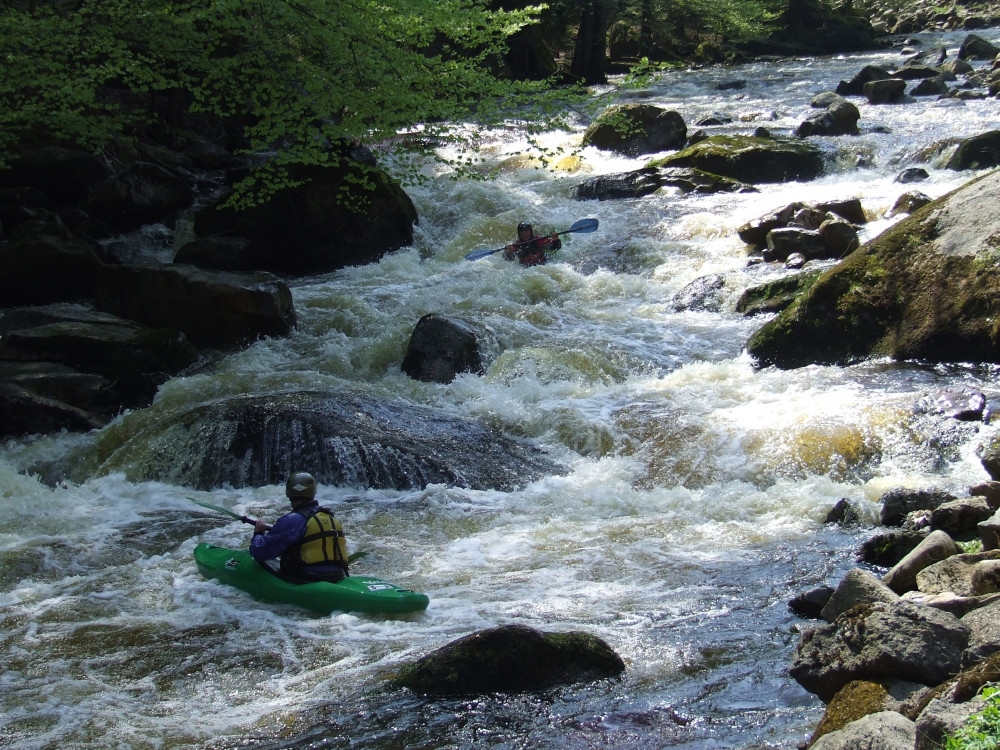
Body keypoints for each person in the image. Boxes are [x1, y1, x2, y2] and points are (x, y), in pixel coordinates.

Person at [249, 471, 350, 583]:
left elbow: (259, 551)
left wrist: (258, 533)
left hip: (306, 578)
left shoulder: (292, 520)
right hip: (337, 576)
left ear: (289, 491)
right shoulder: (330, 517)